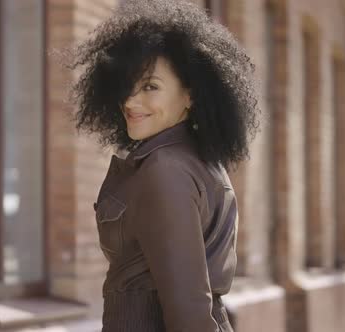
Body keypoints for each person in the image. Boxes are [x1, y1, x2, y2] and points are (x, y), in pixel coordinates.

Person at [62, 0, 260, 330]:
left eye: (150, 86)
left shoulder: (164, 170)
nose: (129, 101)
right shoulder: (196, 159)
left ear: (191, 95)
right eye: (127, 86)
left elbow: (190, 311)